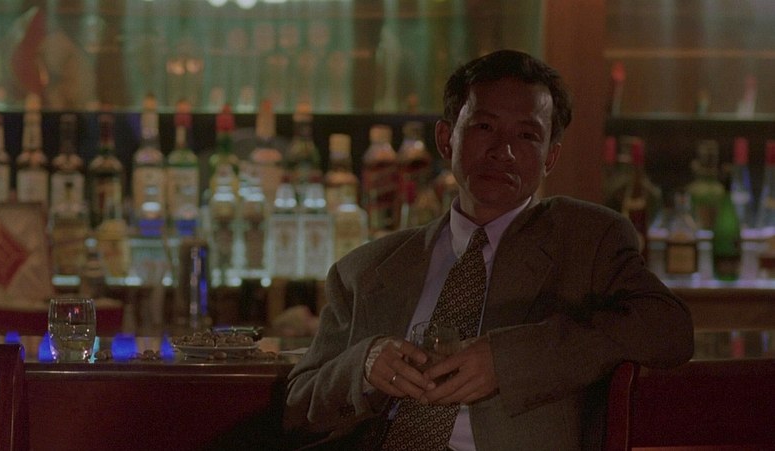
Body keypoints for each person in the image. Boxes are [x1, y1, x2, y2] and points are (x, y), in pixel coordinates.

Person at [282, 49, 694, 450]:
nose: (503, 151)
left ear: (550, 158)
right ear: (446, 140)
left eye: (527, 135)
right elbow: (296, 410)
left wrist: (507, 361)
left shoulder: (586, 240)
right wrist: (364, 365)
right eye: (484, 127)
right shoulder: (367, 268)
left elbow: (668, 329)